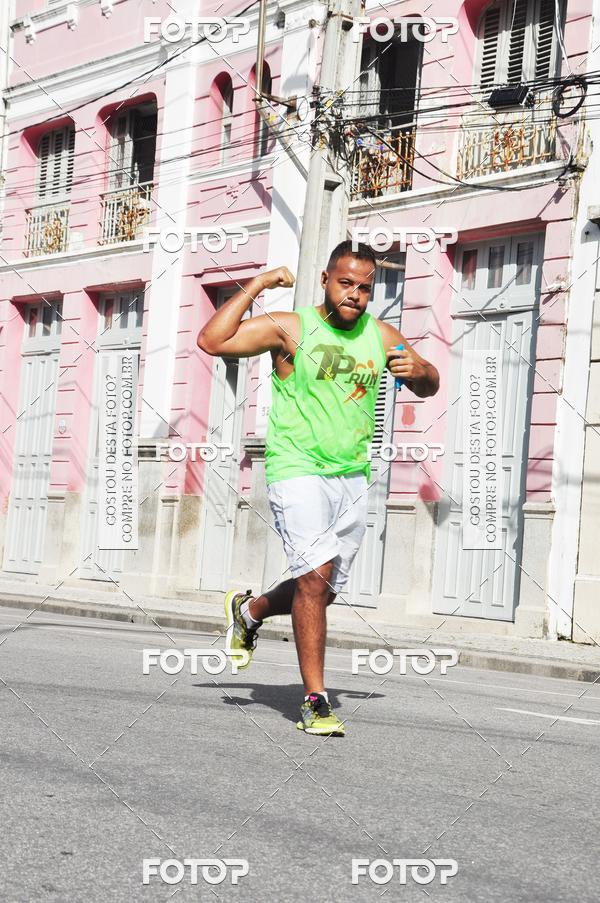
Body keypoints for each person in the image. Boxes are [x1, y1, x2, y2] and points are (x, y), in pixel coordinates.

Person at [197, 240, 439, 735]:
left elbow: (428, 382)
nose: (355, 295)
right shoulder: (291, 327)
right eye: (346, 283)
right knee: (314, 577)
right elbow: (212, 341)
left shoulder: (380, 335)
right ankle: (315, 700)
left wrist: (421, 373)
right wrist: (260, 283)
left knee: (323, 589)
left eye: (365, 288)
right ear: (326, 280)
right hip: (297, 468)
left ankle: (249, 611)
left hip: (351, 475)